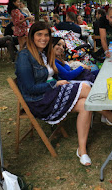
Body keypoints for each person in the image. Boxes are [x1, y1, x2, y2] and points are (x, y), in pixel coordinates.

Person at [15, 21, 93, 166]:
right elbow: (30, 88)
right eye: (39, 34)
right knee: (84, 88)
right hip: (39, 101)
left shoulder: (43, 53)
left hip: (50, 94)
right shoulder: (24, 56)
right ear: (31, 36)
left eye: (46, 35)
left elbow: (55, 72)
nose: (43, 38)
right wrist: (55, 84)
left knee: (84, 105)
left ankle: (82, 150)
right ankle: (111, 116)